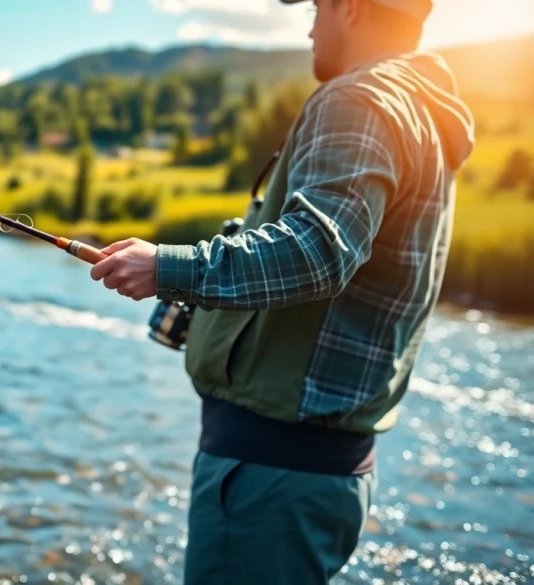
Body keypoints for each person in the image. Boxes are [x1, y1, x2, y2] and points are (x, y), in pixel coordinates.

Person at [90, 0, 475, 582]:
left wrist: (168, 269)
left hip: (269, 471)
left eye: (319, 6)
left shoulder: (360, 99)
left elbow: (318, 251)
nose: (310, 24)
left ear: (349, 8)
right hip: (317, 471)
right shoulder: (421, 107)